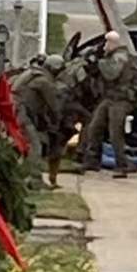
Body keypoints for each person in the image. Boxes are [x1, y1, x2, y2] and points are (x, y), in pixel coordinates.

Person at [81, 32, 137, 178]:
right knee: (94, 127)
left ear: (113, 43)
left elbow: (111, 74)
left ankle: (122, 165)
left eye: (107, 43)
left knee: (115, 133)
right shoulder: (111, 57)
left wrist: (99, 62)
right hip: (110, 98)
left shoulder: (120, 57)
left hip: (121, 99)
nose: (105, 47)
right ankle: (92, 160)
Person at [46, 51, 100, 188]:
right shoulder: (79, 70)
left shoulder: (72, 66)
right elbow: (84, 87)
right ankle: (80, 152)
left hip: (66, 104)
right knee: (88, 121)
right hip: (65, 105)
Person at [11, 53, 63, 165]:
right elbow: (54, 106)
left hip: (15, 110)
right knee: (35, 146)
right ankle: (32, 174)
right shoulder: (44, 81)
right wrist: (58, 120)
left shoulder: (31, 73)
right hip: (22, 113)